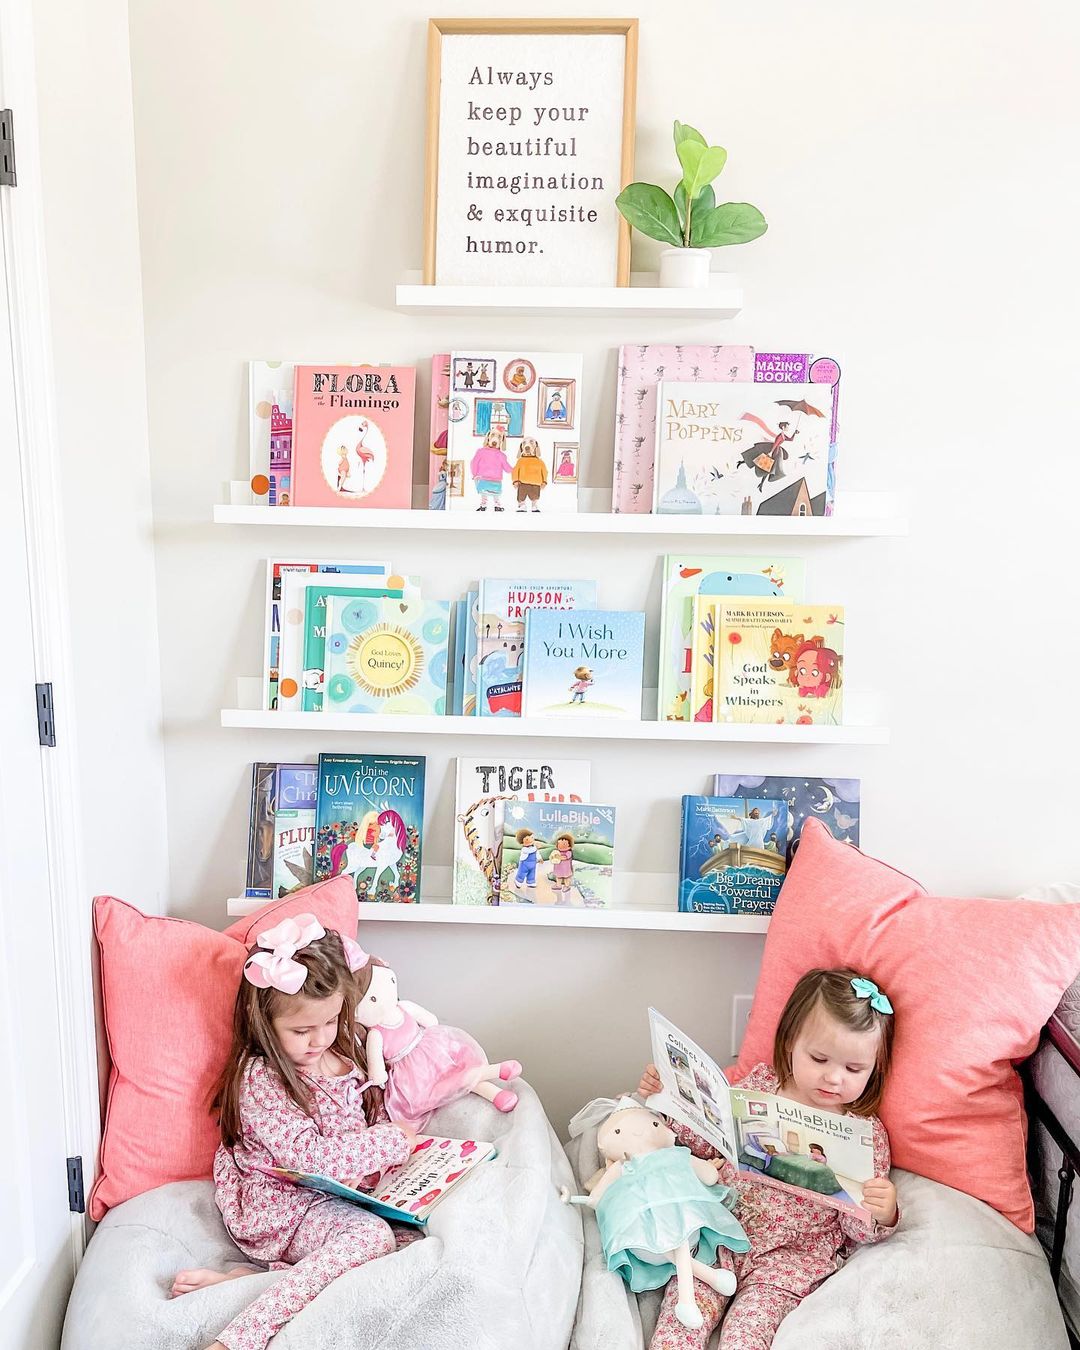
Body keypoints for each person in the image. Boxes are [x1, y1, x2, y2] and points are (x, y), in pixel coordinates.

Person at [171, 915, 415, 1350]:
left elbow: (357, 1122)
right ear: (265, 1022)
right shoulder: (260, 1076)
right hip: (283, 1207)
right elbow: (310, 1159)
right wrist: (390, 1142)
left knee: (406, 1243)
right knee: (370, 1238)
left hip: (335, 1197)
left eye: (330, 1021)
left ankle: (248, 1284)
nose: (319, 1038)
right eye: (302, 1030)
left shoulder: (341, 1050)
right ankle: (236, 1340)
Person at [638, 968, 899, 1349]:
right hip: (721, 1234)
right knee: (680, 1323)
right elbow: (709, 1146)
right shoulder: (760, 1086)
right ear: (791, 1041)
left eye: (853, 1069)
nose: (833, 1078)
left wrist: (883, 1211)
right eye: (820, 1058)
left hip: (789, 1263)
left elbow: (856, 1232)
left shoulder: (866, 1134)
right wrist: (666, 1099)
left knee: (746, 1337)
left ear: (874, 1068)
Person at [511, 438, 548, 512]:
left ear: (536, 447)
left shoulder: (540, 462)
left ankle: (534, 505)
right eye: (524, 443)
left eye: (531, 442)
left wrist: (544, 481)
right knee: (521, 495)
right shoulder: (520, 461)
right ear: (521, 447)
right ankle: (522, 505)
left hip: (536, 483)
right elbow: (515, 471)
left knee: (535, 496)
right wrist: (515, 481)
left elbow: (544, 471)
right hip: (522, 483)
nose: (527, 446)